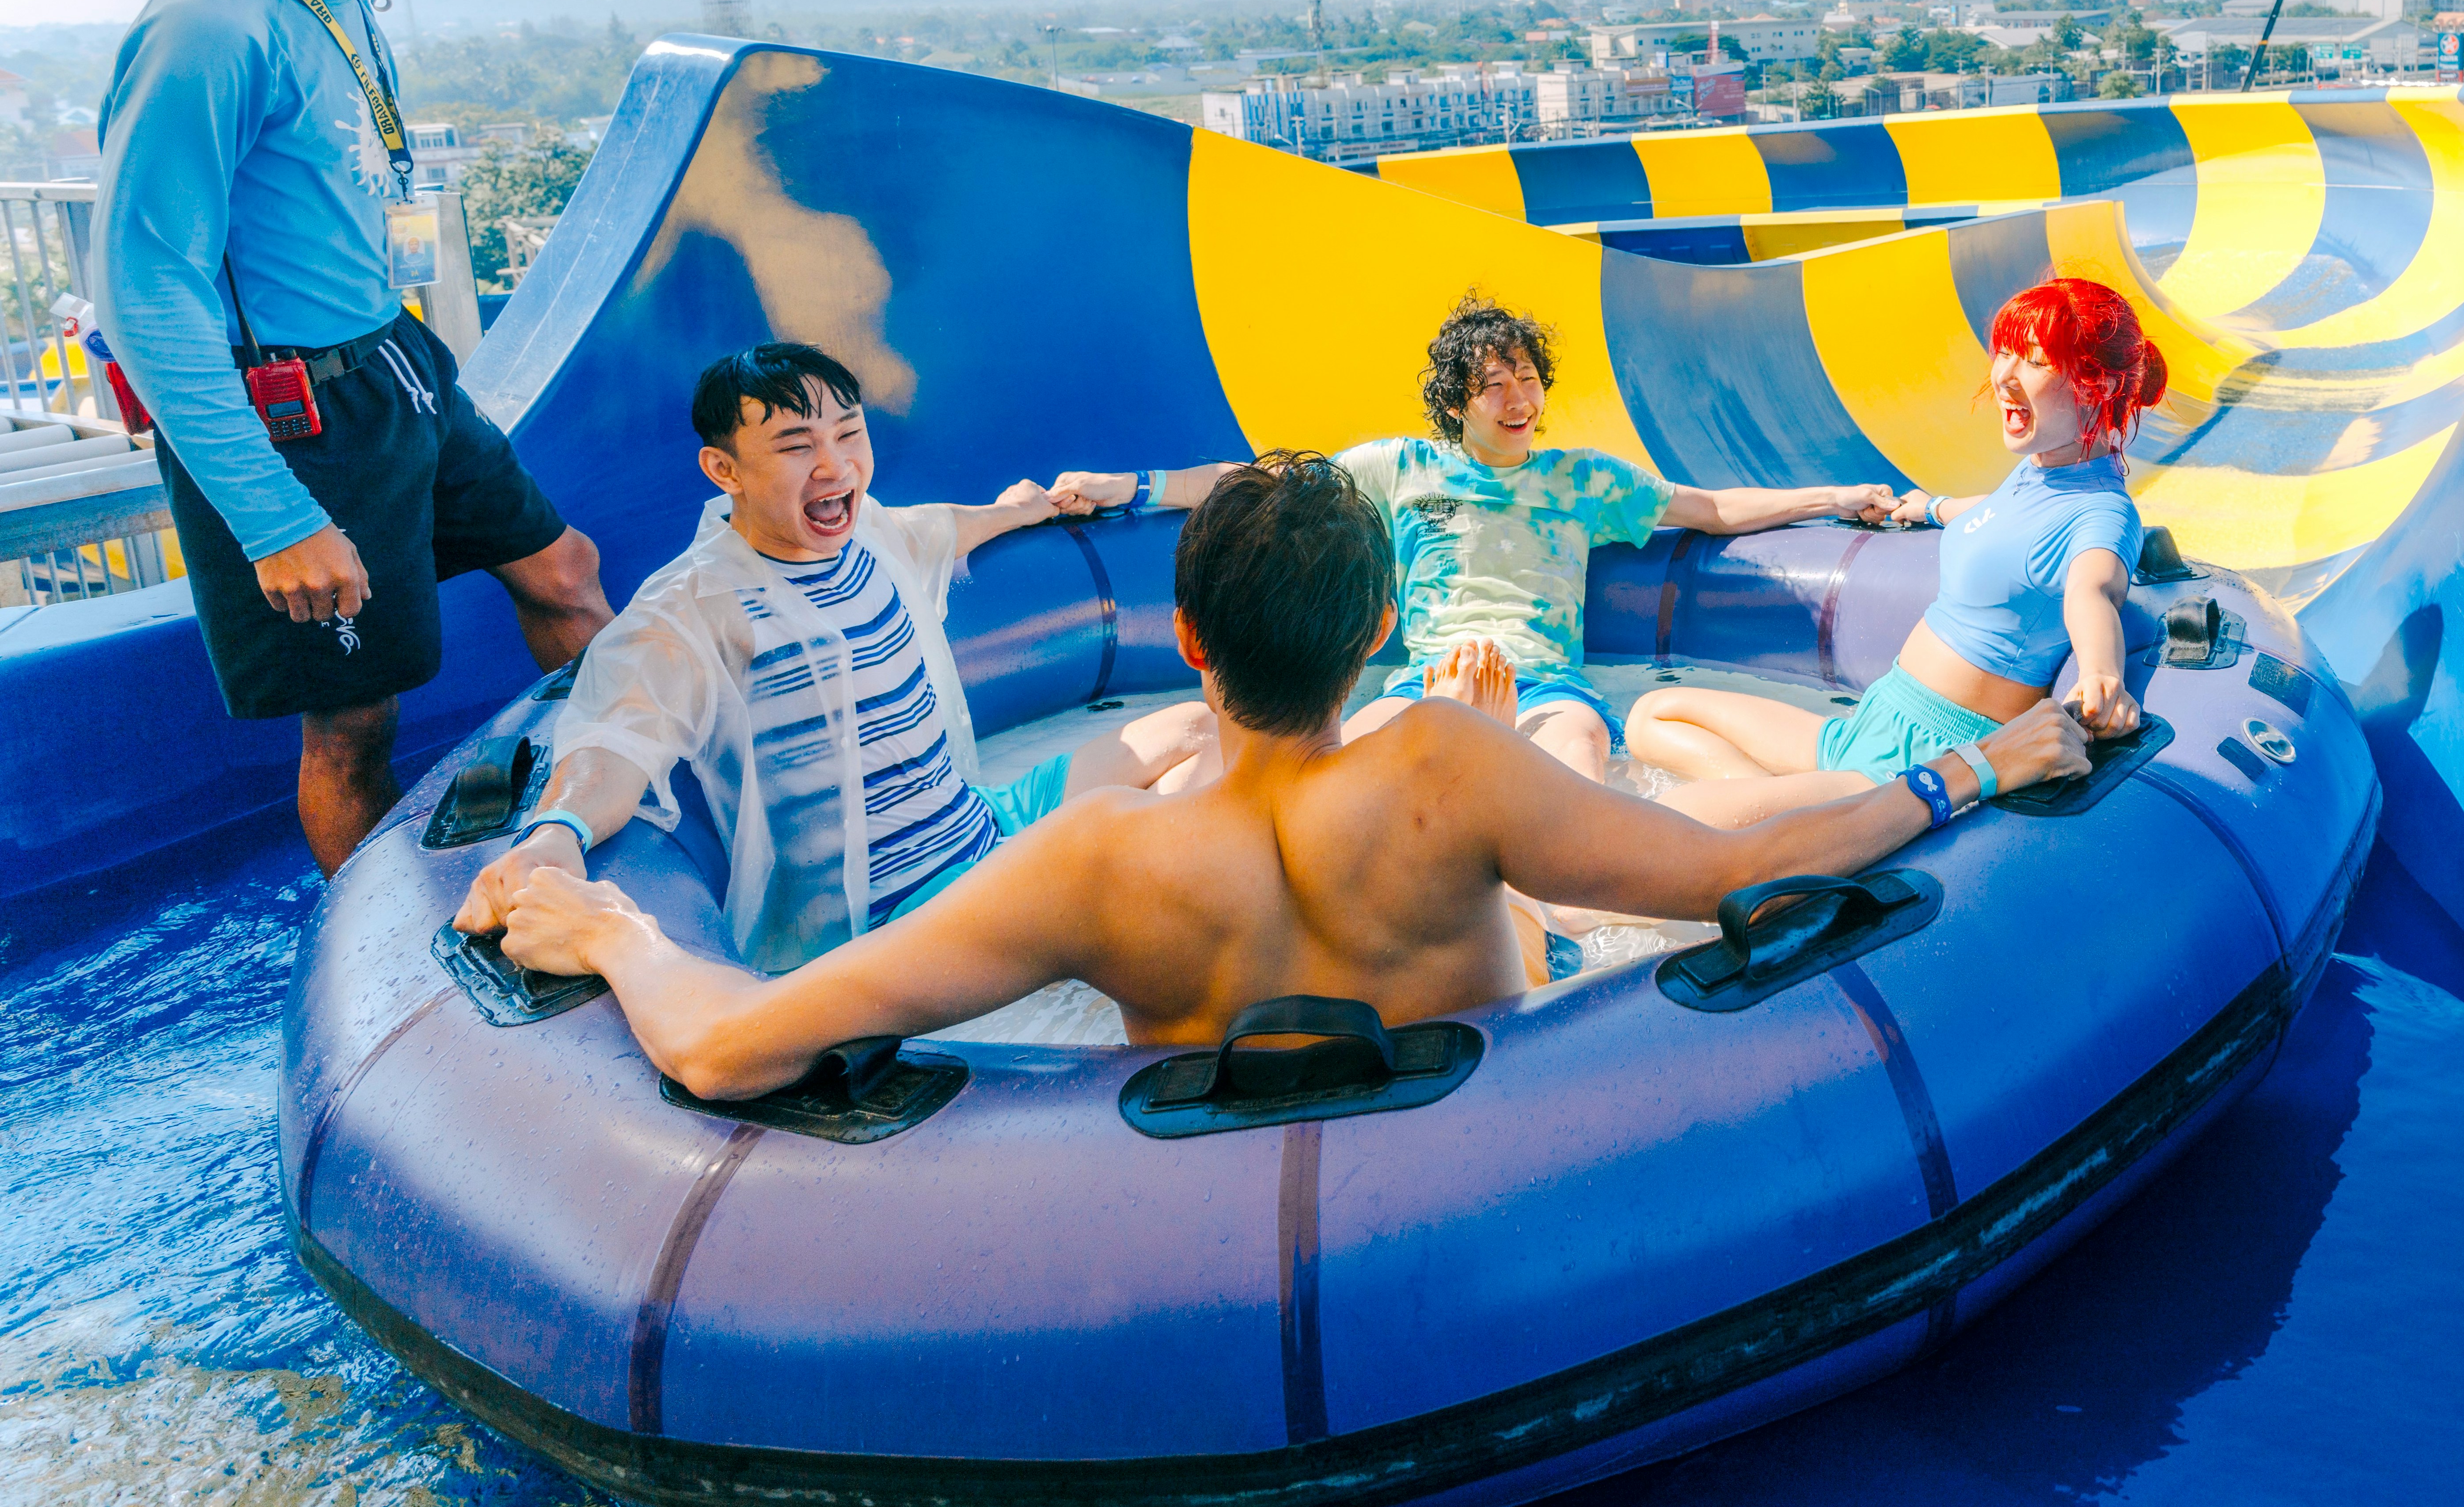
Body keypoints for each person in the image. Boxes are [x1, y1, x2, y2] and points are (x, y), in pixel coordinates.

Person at [491, 451, 2092, 1094]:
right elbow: (1733, 876)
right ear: (1382, 628)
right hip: (1498, 1155)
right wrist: (1975, 771)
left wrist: (617, 927)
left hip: (1206, 1180)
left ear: (1181, 631)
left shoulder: (1093, 857)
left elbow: (727, 1050)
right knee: (1623, 858)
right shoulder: (1446, 767)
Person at [99, 0, 612, 872]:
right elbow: (144, 284)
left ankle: (627, 819)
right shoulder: (208, 25)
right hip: (293, 409)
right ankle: (383, 990)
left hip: (391, 360)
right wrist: (276, 517)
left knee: (564, 573)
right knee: (352, 721)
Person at [453, 343, 1215, 973]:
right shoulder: (695, 605)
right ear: (725, 472)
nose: (835, 466)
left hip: (979, 827)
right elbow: (619, 737)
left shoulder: (872, 536)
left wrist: (1021, 511)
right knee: (1134, 862)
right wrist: (557, 832)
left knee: (1192, 732)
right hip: (891, 913)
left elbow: (944, 526)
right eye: (796, 447)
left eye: (849, 435)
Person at [1050, 293, 1894, 782]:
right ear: (1456, 403)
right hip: (1426, 678)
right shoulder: (1402, 467)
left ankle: (1563, 933)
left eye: (1526, 377)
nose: (1516, 397)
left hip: (1545, 684)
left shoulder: (1580, 479)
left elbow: (1707, 510)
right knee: (1346, 767)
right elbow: (1263, 483)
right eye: (1492, 384)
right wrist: (1133, 488)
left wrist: (1837, 494)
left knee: (1576, 755)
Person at [1625, 276, 2162, 824]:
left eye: (2032, 360)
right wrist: (1931, 507)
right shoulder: (2039, 470)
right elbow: (1995, 515)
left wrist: (2101, 674)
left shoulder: (2102, 511)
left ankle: (1797, 812)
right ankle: (1790, 807)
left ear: (2094, 386)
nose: (2002, 376)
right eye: (2004, 352)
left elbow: (2093, 589)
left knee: (1663, 825)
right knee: (1652, 714)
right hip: (1873, 720)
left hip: (1922, 762)